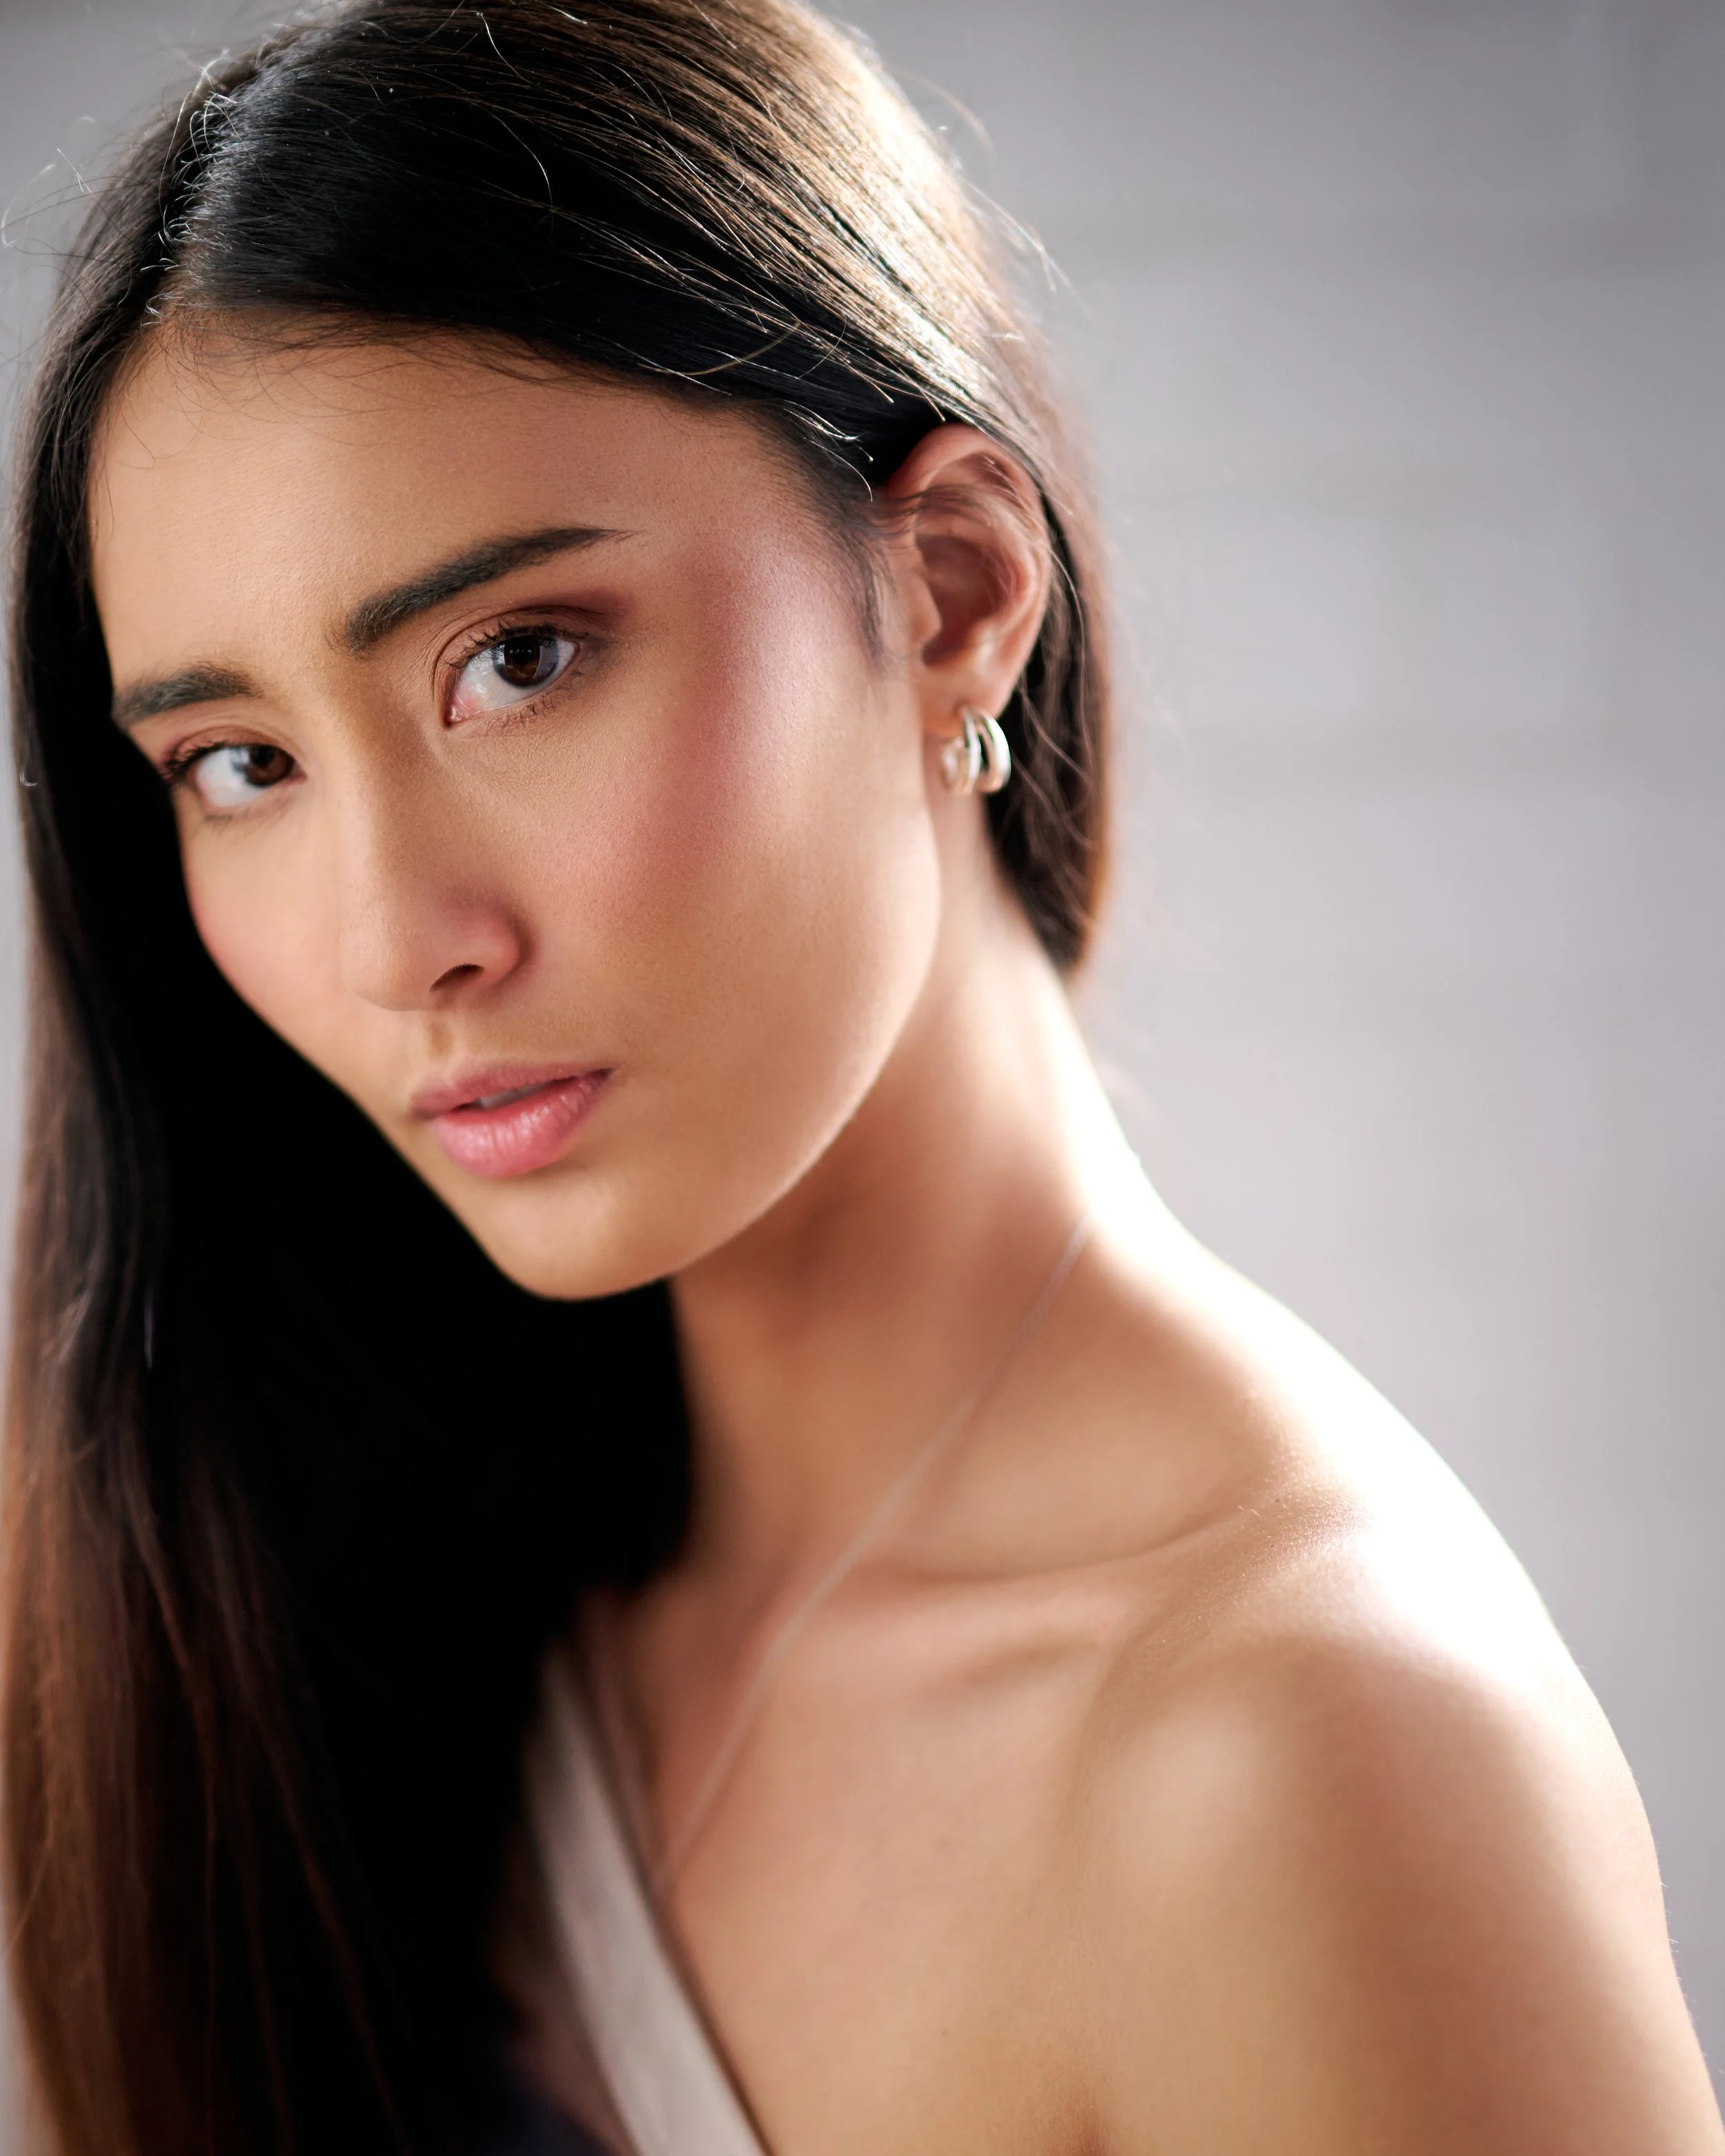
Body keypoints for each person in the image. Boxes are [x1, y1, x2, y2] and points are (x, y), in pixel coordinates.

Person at [4, 1, 1720, 2150]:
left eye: (515, 659)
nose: (392, 936)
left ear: (952, 593)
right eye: (238, 762)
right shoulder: (312, 1579)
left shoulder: (1306, 1751)